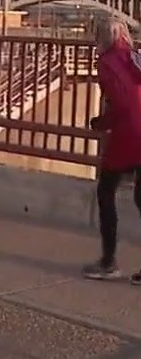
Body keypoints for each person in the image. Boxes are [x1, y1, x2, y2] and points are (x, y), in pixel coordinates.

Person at [83, 18, 141, 282]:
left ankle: (109, 262)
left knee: (106, 191)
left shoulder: (108, 61)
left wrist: (101, 123)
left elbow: (120, 103)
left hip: (129, 134)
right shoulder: (134, 57)